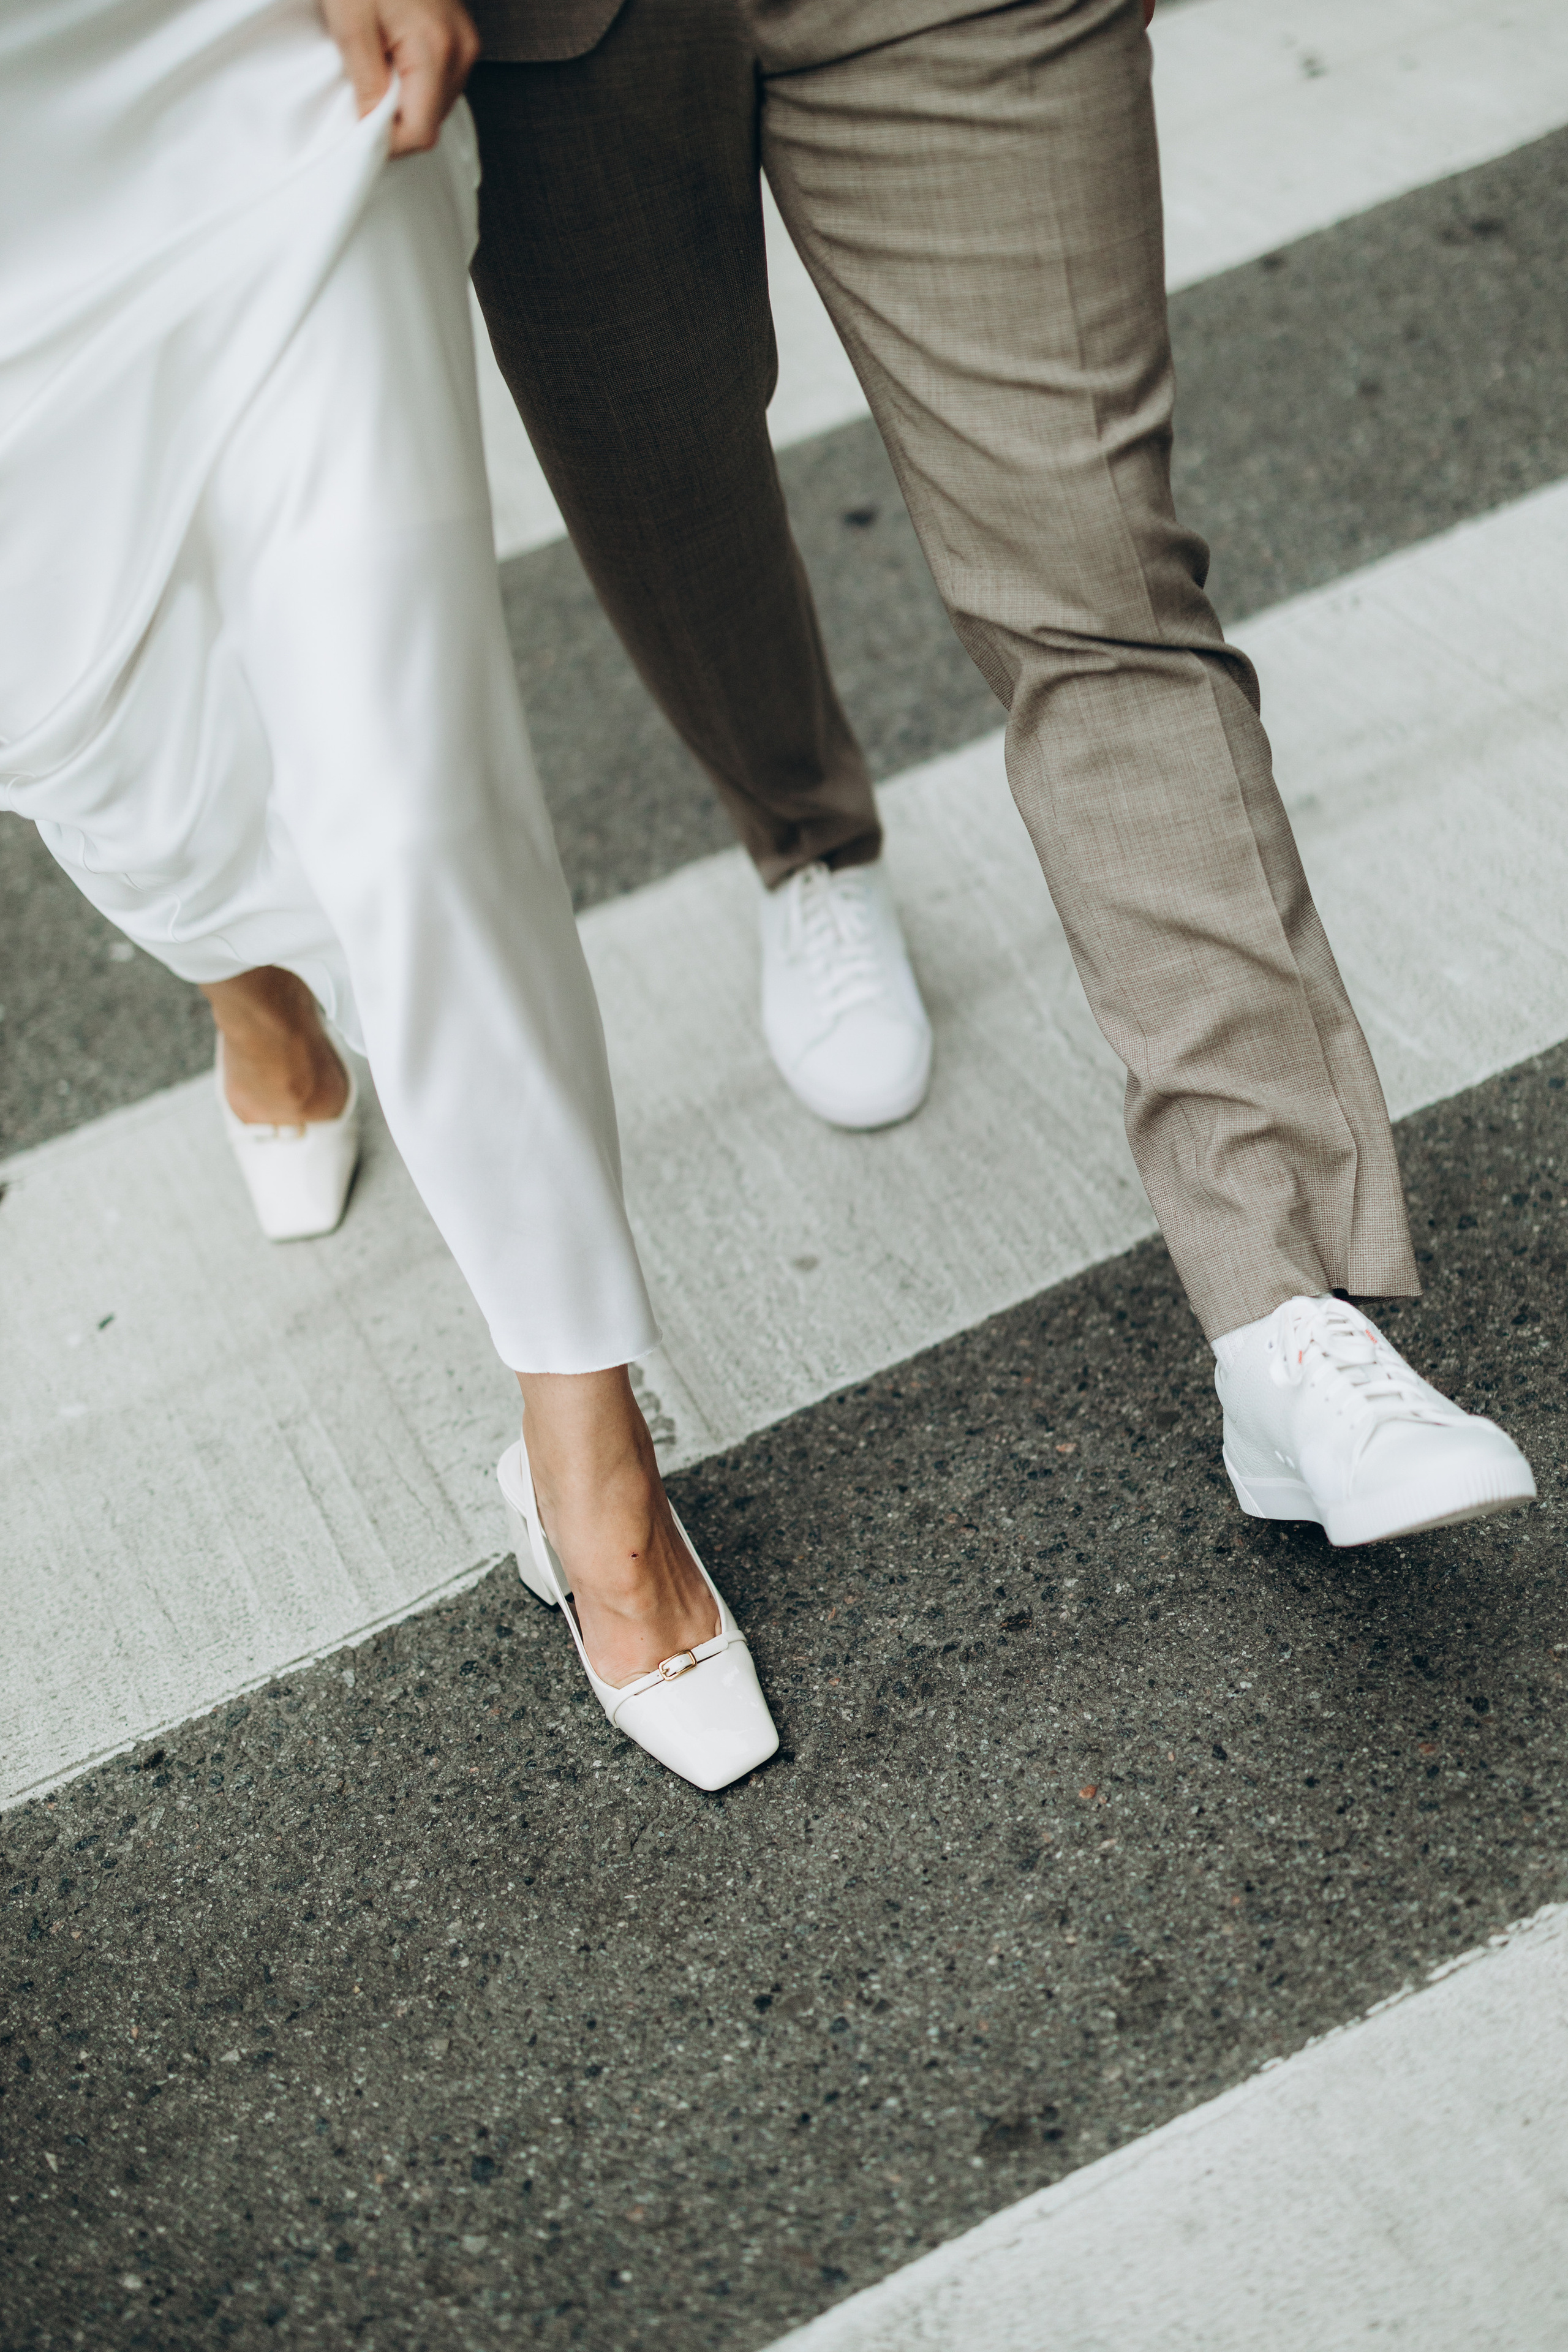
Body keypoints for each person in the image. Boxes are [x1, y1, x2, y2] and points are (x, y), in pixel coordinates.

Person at [447, 0, 1534, 1550]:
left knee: (1100, 580)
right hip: (555, 35)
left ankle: (1286, 1319)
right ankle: (804, 842)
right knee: (671, 517)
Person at [0, 0, 777, 1792]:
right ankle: (253, 985)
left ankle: (595, 1472)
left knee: (414, 798)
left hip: (258, 78)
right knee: (128, 784)